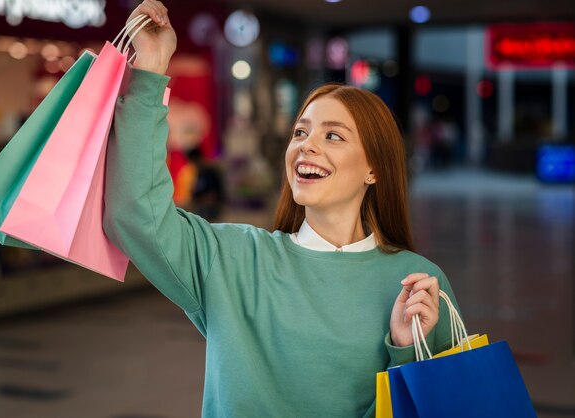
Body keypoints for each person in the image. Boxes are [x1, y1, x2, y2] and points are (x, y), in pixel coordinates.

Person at [103, 1, 460, 417]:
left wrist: (404, 353)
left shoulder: (418, 286)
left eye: (334, 136)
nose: (307, 145)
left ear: (374, 170)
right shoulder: (232, 259)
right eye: (301, 132)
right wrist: (149, 71)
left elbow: (437, 406)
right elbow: (134, 211)